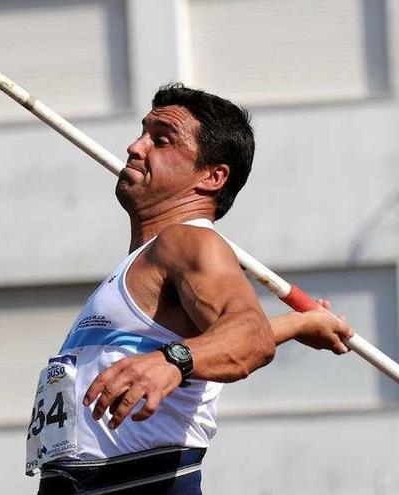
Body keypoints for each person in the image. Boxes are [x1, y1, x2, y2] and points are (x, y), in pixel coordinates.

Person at [25, 83, 353, 494]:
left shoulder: (188, 242)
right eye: (142, 131)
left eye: (161, 140)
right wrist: (298, 323)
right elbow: (227, 332)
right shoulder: (144, 263)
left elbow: (249, 338)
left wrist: (172, 360)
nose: (134, 146)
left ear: (213, 177)